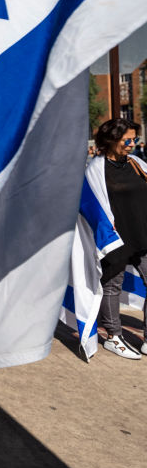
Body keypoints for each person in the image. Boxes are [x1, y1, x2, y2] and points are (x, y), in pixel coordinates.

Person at [89, 118, 147, 359]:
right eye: (127, 140)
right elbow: (91, 206)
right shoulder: (95, 169)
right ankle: (113, 336)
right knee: (112, 287)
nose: (132, 144)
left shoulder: (136, 163)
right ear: (111, 140)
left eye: (135, 139)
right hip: (115, 239)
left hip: (142, 233)